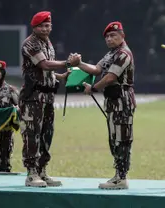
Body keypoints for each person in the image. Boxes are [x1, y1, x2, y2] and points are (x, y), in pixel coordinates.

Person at [69, 21, 136, 189]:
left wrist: (94, 88)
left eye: (113, 35)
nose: (109, 39)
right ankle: (117, 176)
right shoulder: (111, 53)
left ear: (122, 36)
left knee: (122, 139)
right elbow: (97, 69)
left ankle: (121, 177)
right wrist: (79, 64)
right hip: (113, 102)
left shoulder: (123, 54)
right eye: (107, 37)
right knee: (114, 139)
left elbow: (110, 77)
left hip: (122, 101)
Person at [19, 11, 77, 187]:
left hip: (48, 96)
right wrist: (67, 63)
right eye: (42, 26)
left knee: (46, 135)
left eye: (48, 25)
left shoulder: (48, 43)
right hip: (33, 98)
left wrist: (61, 76)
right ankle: (31, 173)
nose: (45, 29)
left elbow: (47, 71)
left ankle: (42, 171)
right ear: (34, 27)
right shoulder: (30, 44)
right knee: (32, 135)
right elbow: (44, 64)